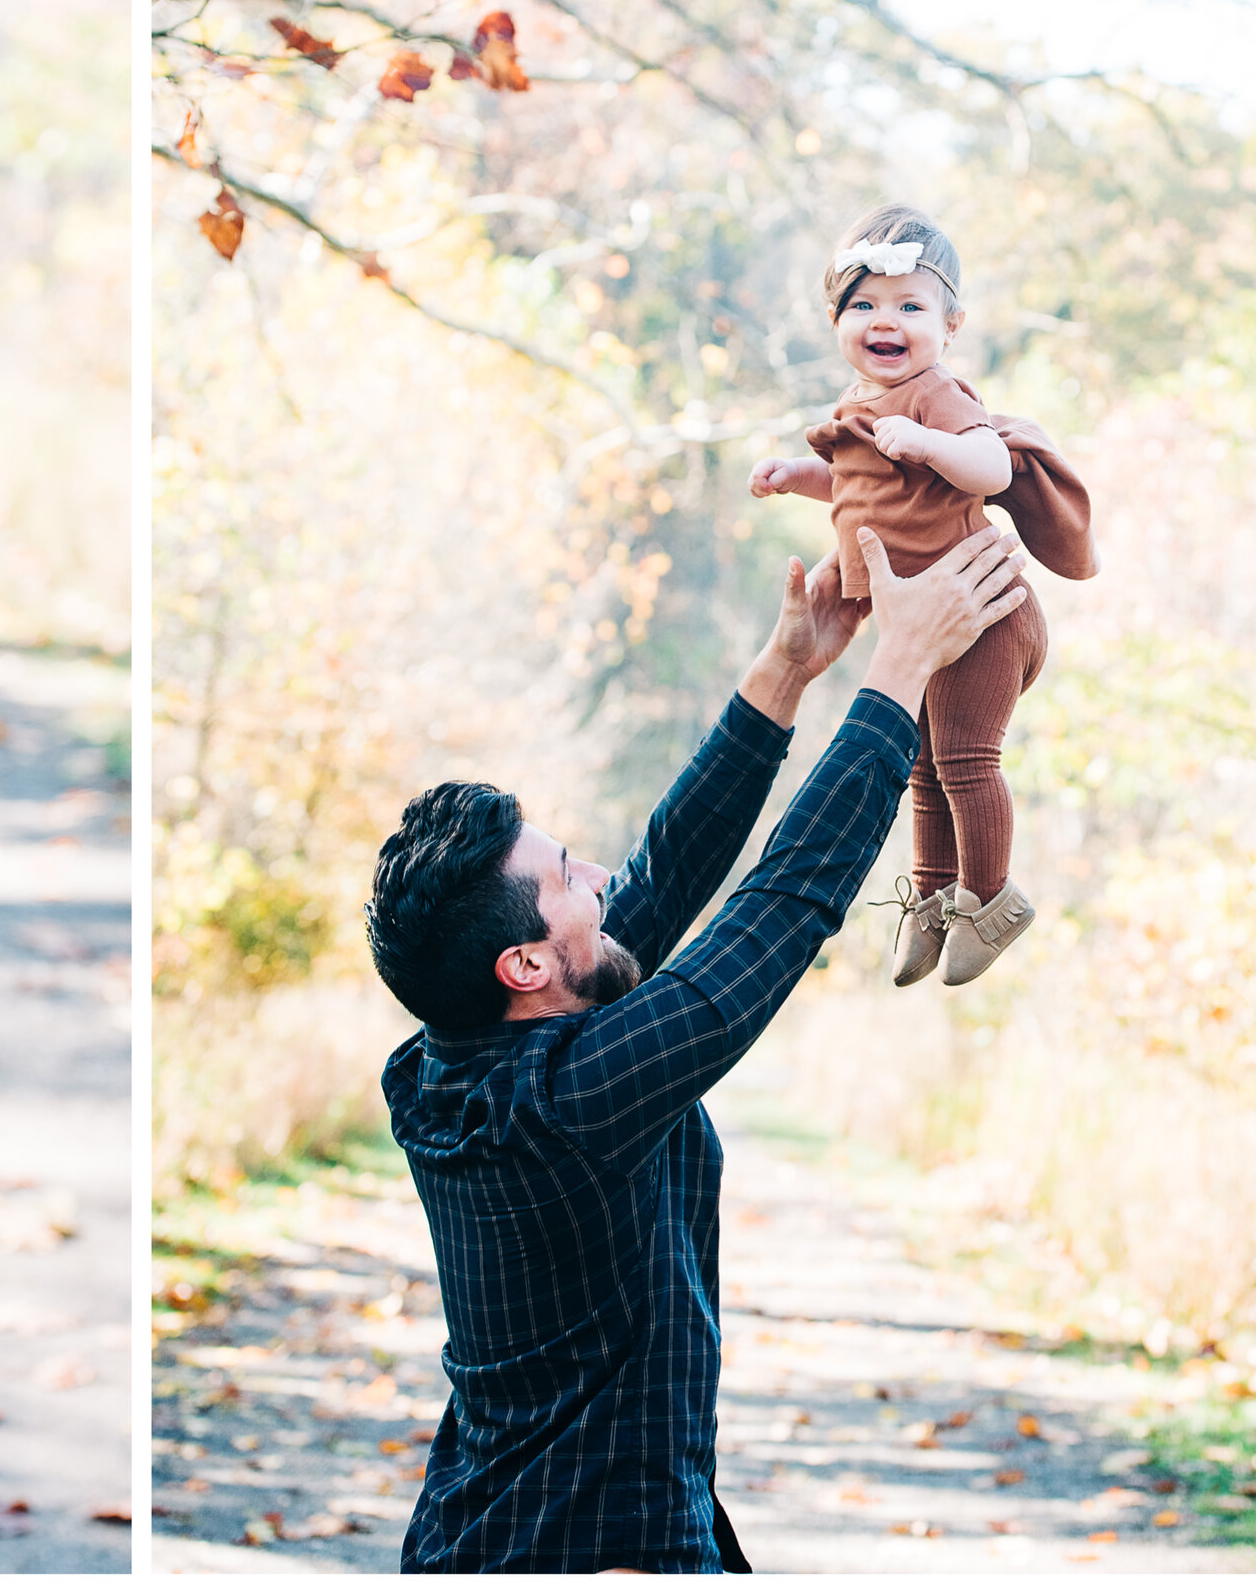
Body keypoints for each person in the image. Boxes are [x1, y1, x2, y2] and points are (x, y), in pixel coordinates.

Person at [365, 522, 1031, 1573]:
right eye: (564, 875)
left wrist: (786, 673)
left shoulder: (444, 1064)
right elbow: (779, 909)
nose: (596, 871)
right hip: (580, 1550)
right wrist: (898, 670)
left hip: (503, 1533)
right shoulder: (568, 1101)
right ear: (526, 965)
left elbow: (660, 874)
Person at [749, 204, 1094, 986]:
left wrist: (932, 442)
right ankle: (936, 901)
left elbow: (991, 468)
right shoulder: (858, 407)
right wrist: (793, 476)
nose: (886, 321)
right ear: (836, 319)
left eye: (910, 306)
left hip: (981, 615)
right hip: (923, 625)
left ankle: (992, 898)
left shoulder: (936, 396)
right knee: (922, 769)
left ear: (950, 324)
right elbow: (857, 488)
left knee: (967, 760)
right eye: (865, 304)